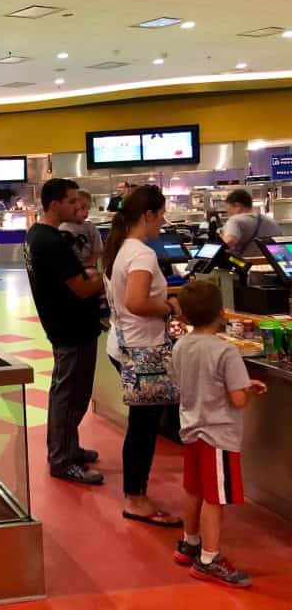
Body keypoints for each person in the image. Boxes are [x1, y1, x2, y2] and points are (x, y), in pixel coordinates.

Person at [171, 280, 266, 588]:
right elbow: (237, 399)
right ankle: (209, 559)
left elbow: (190, 382)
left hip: (191, 430)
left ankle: (190, 542)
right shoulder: (226, 352)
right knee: (216, 498)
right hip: (218, 436)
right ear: (222, 312)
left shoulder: (181, 346)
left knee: (194, 489)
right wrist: (245, 390)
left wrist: (238, 386)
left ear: (183, 314)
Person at [103, 184, 182, 527]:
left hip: (125, 346)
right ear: (147, 215)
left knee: (141, 427)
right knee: (143, 429)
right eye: (161, 216)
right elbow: (136, 302)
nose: (162, 223)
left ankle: (136, 493)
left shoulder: (122, 249)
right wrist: (170, 306)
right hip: (143, 352)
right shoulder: (142, 254)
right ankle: (136, 499)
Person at [25, 179, 105, 485]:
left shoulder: (39, 236)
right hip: (70, 327)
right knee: (68, 394)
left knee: (75, 393)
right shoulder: (51, 241)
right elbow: (81, 288)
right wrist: (107, 280)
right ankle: (61, 458)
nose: (78, 207)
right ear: (55, 203)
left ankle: (69, 448)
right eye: (72, 201)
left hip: (68, 325)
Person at [221, 189, 280, 258]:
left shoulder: (235, 220)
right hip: (271, 264)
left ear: (237, 206)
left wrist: (222, 238)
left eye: (228, 209)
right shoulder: (271, 221)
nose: (229, 213)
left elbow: (229, 241)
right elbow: (277, 247)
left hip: (247, 265)